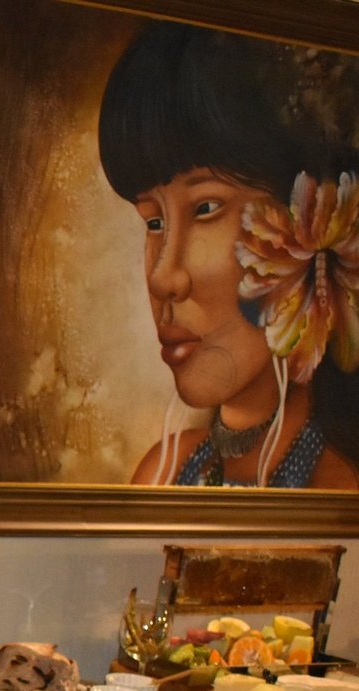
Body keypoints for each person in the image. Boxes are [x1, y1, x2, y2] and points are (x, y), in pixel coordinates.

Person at [98, 22, 359, 489]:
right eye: (153, 222)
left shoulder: (335, 484)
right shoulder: (163, 473)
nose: (163, 278)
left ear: (311, 220)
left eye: (205, 209)